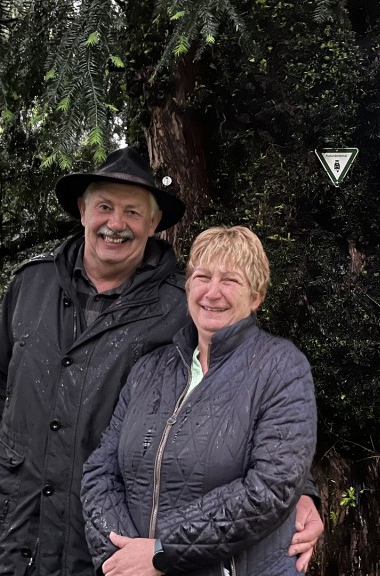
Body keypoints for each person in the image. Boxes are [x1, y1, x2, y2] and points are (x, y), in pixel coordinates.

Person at [0, 150, 323, 576]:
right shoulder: (31, 285)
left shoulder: (182, 304)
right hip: (14, 522)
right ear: (83, 211)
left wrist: (300, 494)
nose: (115, 224)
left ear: (153, 224)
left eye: (132, 212)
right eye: (104, 206)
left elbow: (244, 386)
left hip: (100, 539)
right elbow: (2, 388)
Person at [82, 226, 317, 576]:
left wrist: (162, 554)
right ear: (188, 286)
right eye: (202, 276)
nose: (212, 292)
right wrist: (122, 557)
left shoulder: (282, 367)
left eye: (231, 281)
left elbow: (270, 488)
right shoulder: (149, 369)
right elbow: (100, 471)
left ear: (256, 297)